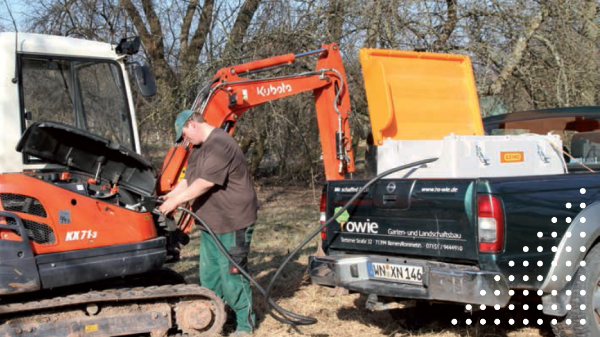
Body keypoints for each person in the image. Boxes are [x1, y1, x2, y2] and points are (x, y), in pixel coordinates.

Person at [158, 109, 258, 336]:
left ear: (192, 123)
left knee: (232, 274)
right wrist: (170, 197)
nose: (185, 140)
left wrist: (175, 203)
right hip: (211, 223)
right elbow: (189, 180)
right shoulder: (198, 149)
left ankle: (245, 324)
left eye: (184, 135)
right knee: (210, 276)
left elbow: (204, 183)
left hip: (233, 220)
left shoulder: (220, 144)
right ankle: (219, 318)